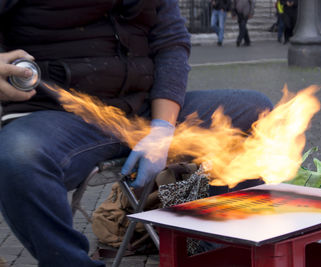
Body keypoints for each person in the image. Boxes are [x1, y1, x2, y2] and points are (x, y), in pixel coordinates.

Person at [0, 0, 273, 266]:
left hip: (147, 109)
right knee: (18, 156)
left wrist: (163, 128)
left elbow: (171, 41)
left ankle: (219, 250)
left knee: (254, 112)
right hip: (61, 117)